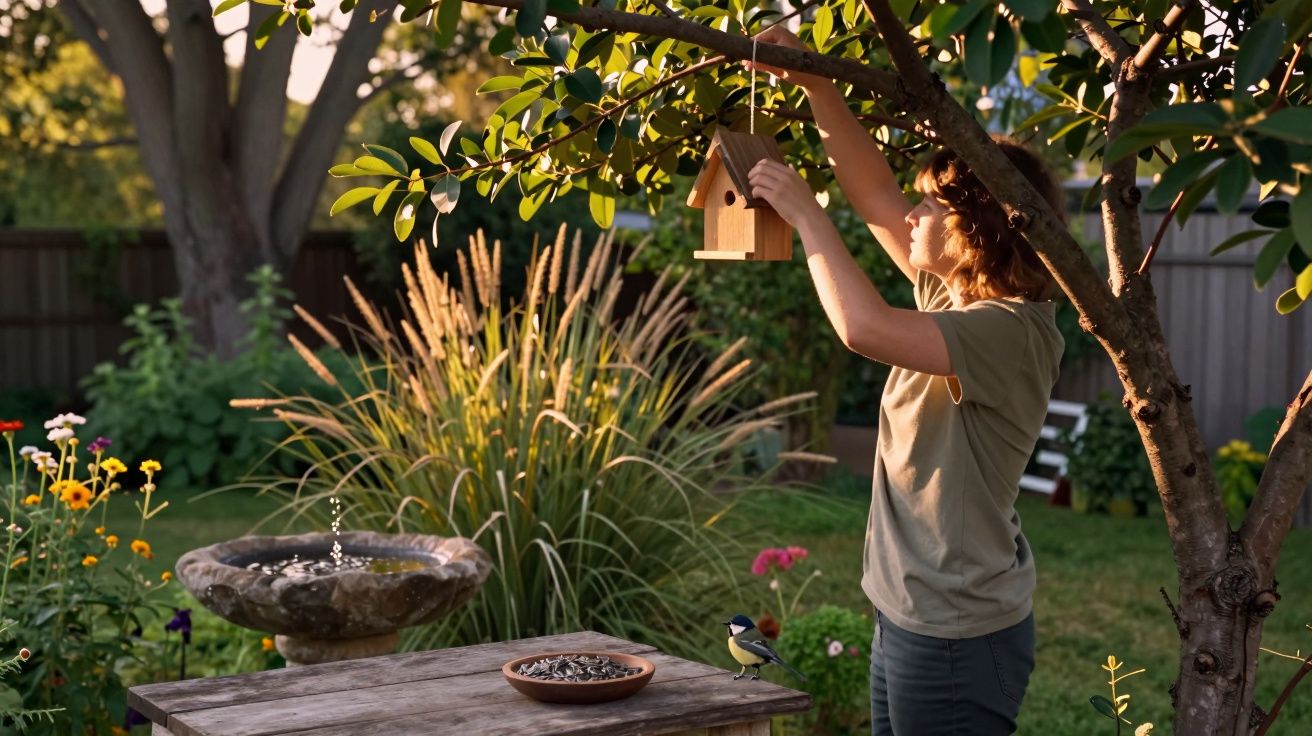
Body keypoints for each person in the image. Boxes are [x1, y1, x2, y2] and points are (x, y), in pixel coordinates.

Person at [744, 25, 1067, 736]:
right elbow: (875, 195)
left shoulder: (1008, 330)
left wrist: (804, 213)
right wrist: (815, 83)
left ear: (979, 228)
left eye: (934, 206)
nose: (913, 215)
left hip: (956, 632)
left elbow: (863, 326)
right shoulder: (957, 299)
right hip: (912, 613)